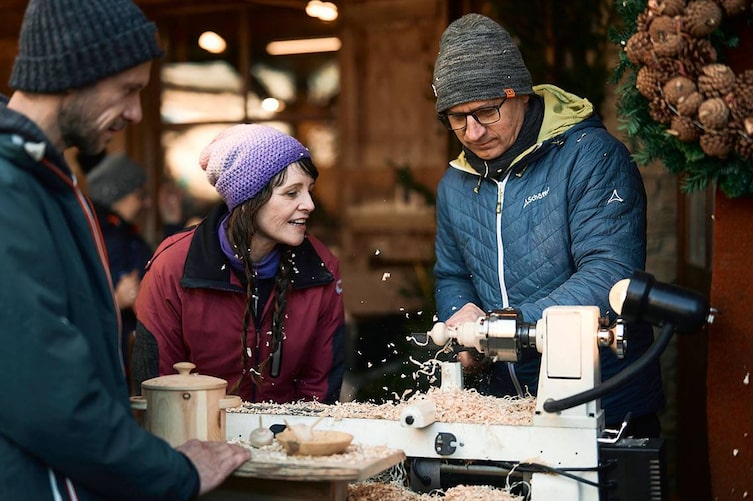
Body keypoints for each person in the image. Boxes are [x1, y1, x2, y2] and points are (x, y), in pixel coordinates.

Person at [0, 1, 249, 500]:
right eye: (129, 90)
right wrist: (172, 472)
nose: (136, 113)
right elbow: (52, 399)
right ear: (72, 73)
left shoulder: (46, 179)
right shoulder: (9, 189)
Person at [430, 13, 664, 437]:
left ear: (519, 93)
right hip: (509, 410)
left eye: (486, 111)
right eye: (456, 118)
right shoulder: (455, 184)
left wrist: (502, 329)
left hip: (605, 403)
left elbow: (610, 274)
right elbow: (452, 274)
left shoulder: (591, 156)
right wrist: (459, 315)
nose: (473, 132)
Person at [132, 124, 346, 405]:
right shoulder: (174, 267)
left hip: (287, 439)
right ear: (249, 200)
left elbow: (319, 387)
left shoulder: (321, 268)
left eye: (309, 190)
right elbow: (156, 388)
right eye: (292, 193)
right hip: (197, 436)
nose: (309, 204)